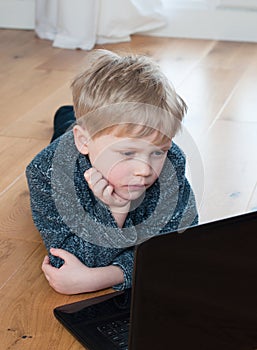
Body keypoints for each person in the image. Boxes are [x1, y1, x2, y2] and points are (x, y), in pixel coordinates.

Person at [26, 49, 198, 295]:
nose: (144, 170)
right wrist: (115, 211)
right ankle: (67, 118)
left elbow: (179, 248)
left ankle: (70, 116)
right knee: (64, 128)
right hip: (70, 146)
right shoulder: (46, 172)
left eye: (157, 152)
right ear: (84, 142)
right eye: (128, 153)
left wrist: (104, 277)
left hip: (86, 137)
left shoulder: (171, 162)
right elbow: (71, 259)